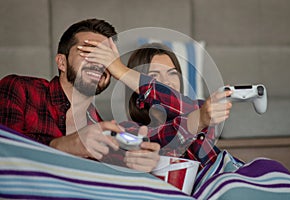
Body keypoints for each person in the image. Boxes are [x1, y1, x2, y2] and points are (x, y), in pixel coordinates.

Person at [0, 18, 160, 172]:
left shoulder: (103, 131)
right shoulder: (20, 89)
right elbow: (4, 154)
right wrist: (61, 146)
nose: (98, 63)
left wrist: (138, 163)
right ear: (62, 62)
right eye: (88, 52)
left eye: (106, 58)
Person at [76, 40, 233, 168]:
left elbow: (192, 109)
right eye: (154, 76)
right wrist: (120, 71)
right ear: (136, 89)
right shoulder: (130, 130)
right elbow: (168, 134)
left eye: (172, 73)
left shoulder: (200, 109)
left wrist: (120, 69)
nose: (167, 82)